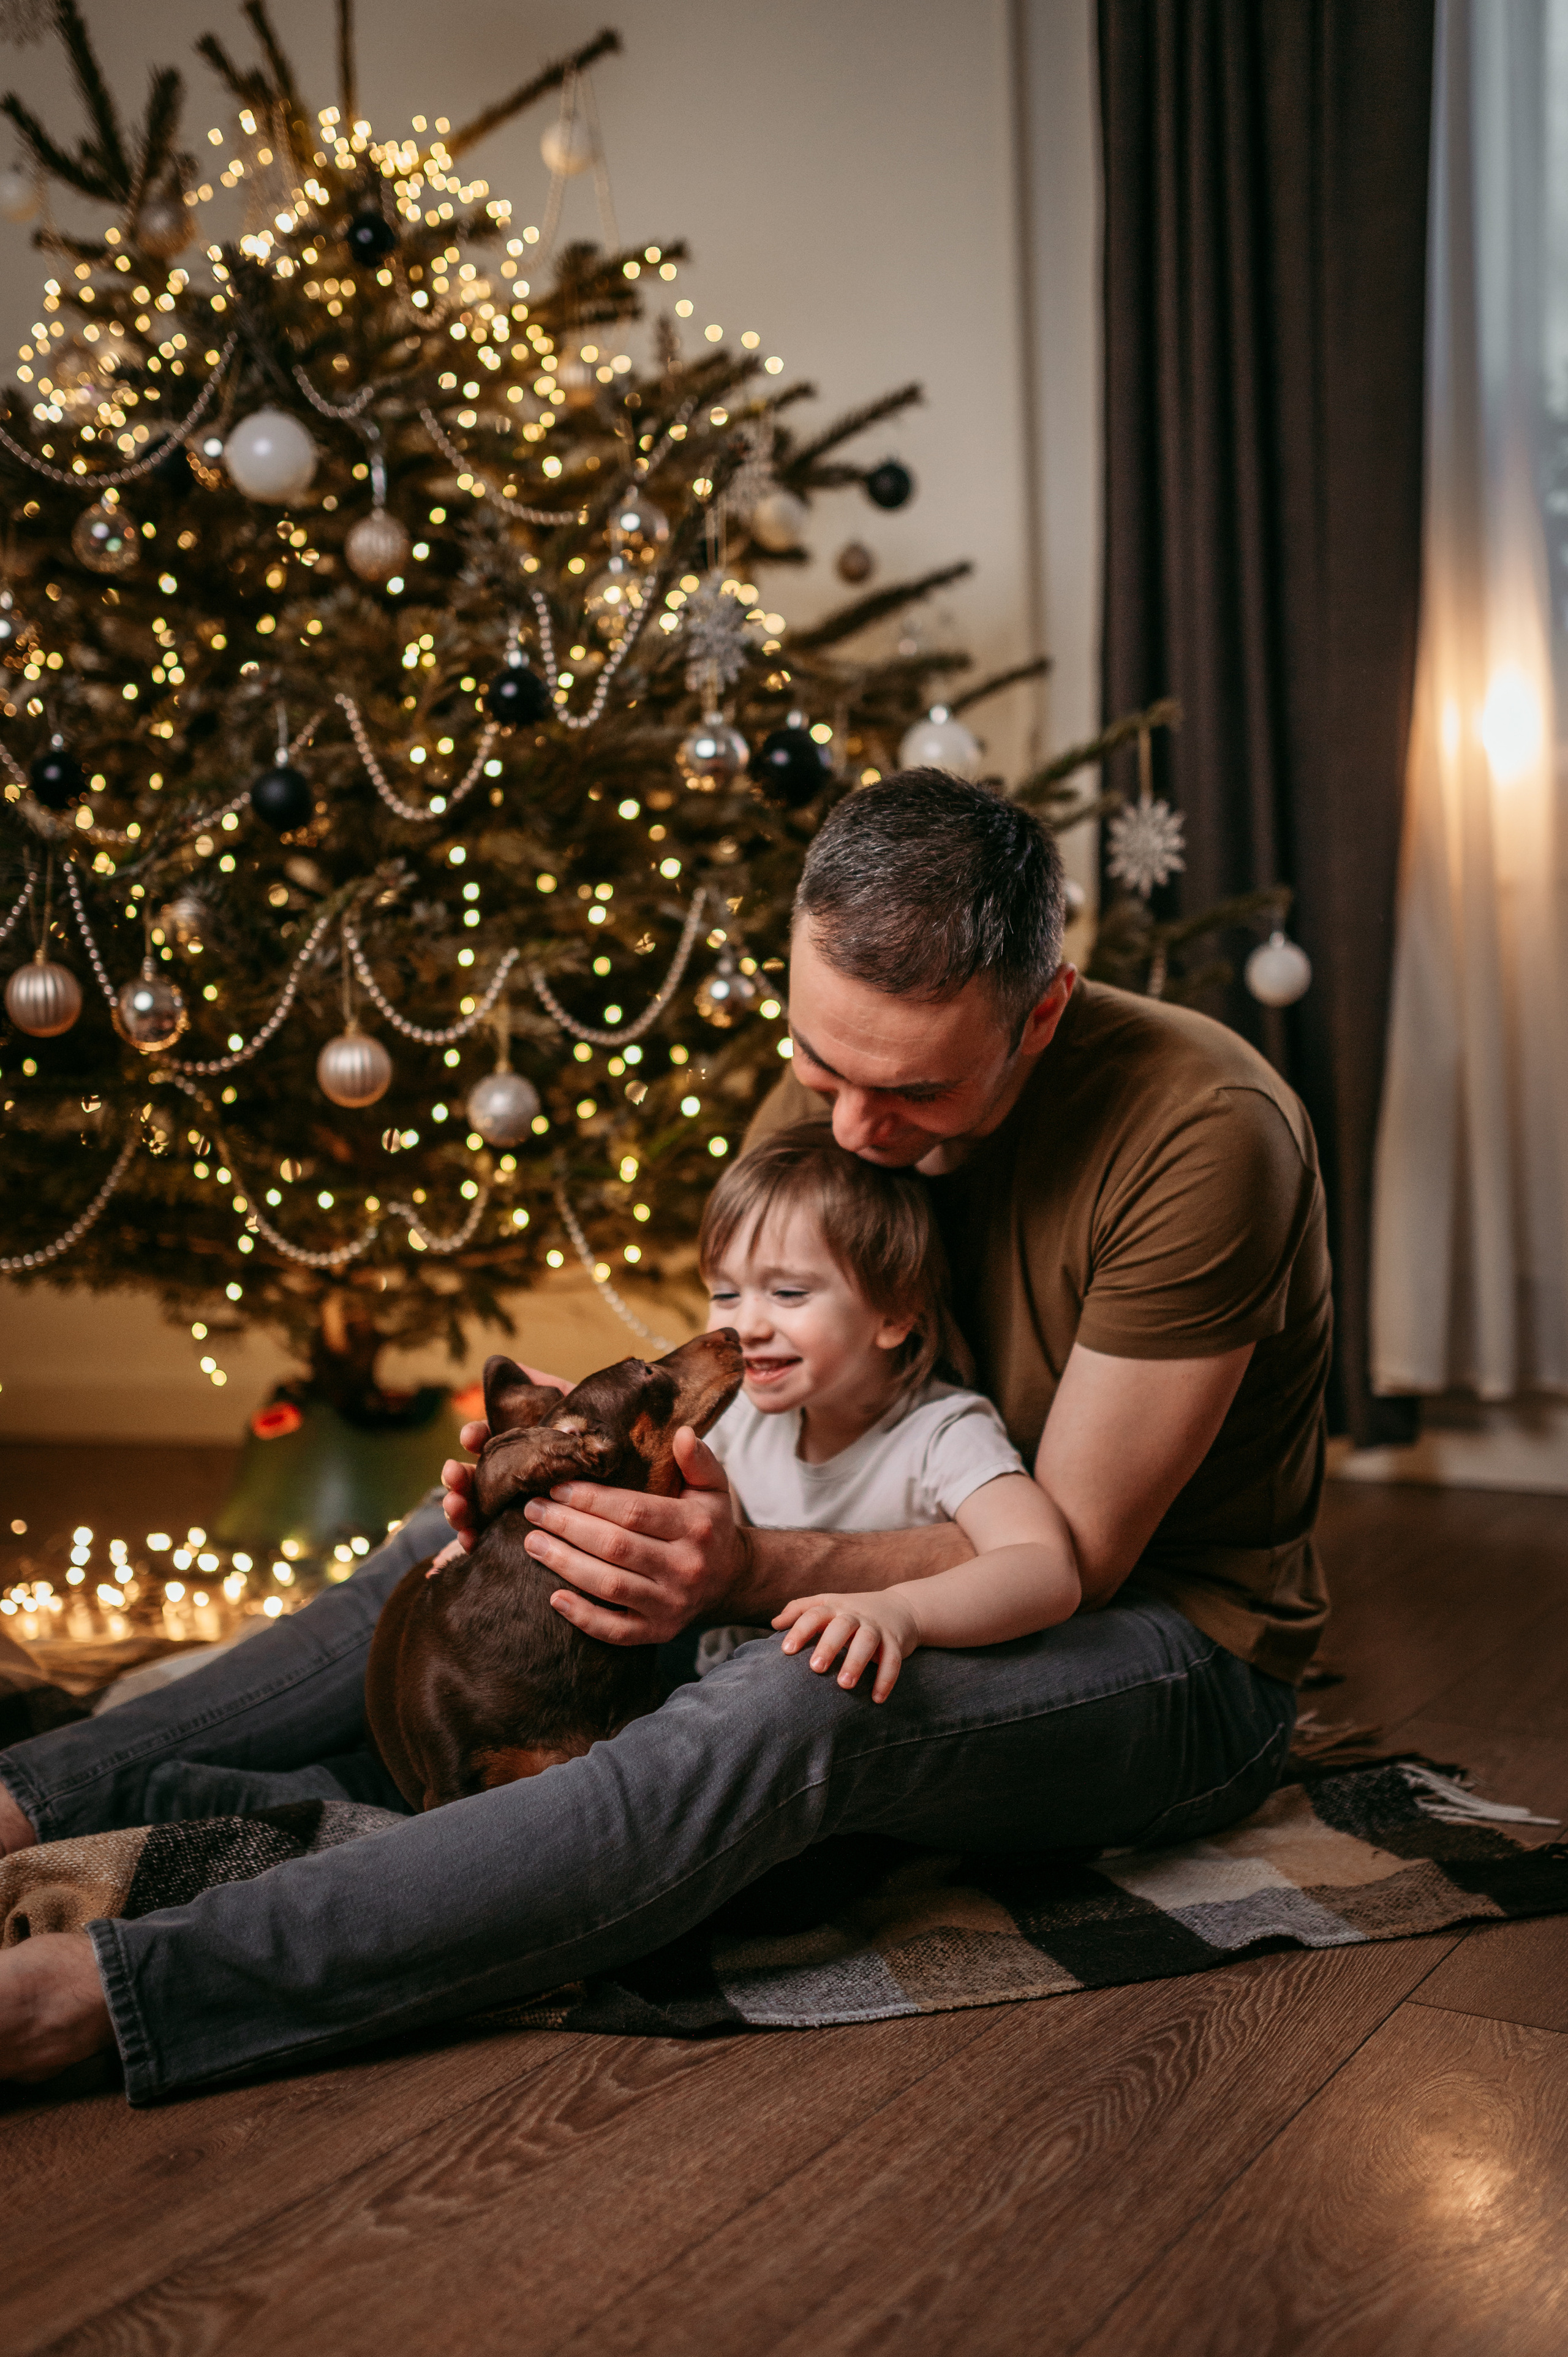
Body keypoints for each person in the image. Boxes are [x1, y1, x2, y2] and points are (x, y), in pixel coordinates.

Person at [0, 770, 1329, 2100]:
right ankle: (27, 1798)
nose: (851, 1128)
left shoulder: (1202, 1132)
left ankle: (113, 1994)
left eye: (915, 1092)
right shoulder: (840, 1089)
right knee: (495, 1544)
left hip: (1166, 1653)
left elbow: (1077, 1558)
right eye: (820, 1065)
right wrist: (574, 1481)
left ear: (1041, 1010)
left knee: (801, 1692)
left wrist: (744, 1570)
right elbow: (739, 1387)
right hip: (864, 1564)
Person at [695, 1119, 1080, 1700]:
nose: (744, 1325)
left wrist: (906, 1610)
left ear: (896, 1312)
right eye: (725, 1293)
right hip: (715, 1691)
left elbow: (1047, 1566)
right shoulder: (737, 1419)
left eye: (789, 1293)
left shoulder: (941, 1433)